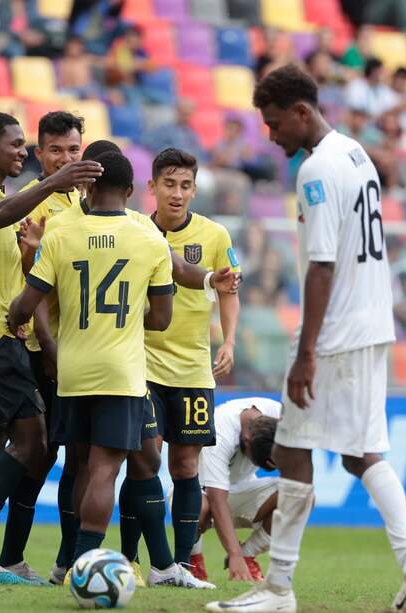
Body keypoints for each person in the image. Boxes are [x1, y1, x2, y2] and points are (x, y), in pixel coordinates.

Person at [208, 64, 406, 613]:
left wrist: (306, 351)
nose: (270, 135)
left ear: (301, 112)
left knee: (291, 449)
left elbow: (320, 267)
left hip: (334, 332)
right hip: (372, 325)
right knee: (362, 455)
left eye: (273, 124)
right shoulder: (357, 154)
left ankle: (279, 589)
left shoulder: (314, 172)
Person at [7, 151, 174, 569]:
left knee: (81, 466)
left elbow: (25, 305)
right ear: (132, 192)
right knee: (104, 470)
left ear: (87, 187)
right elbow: (162, 320)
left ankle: (68, 563)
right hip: (121, 371)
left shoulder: (61, 235)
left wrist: (16, 321)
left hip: (71, 371)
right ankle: (83, 566)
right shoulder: (150, 239)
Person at [128, 148, 241, 580]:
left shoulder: (215, 236)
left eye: (185, 185)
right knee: (144, 461)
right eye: (169, 185)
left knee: (186, 466)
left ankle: (180, 562)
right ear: (152, 187)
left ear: (194, 189)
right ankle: (133, 559)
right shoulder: (135, 230)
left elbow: (229, 290)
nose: (177, 194)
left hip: (194, 368)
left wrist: (228, 340)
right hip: (143, 364)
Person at [0, 112, 53, 586]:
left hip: (5, 340)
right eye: (15, 143)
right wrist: (55, 182)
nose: (23, 152)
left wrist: (28, 254)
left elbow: (5, 274)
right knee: (33, 441)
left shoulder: (1, 199)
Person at [191, 397, 280, 583]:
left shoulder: (278, 415)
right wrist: (234, 554)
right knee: (196, 505)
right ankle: (193, 561)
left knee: (299, 495)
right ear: (246, 442)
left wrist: (240, 555)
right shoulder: (221, 432)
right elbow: (217, 499)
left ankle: (248, 556)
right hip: (201, 492)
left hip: (241, 492)